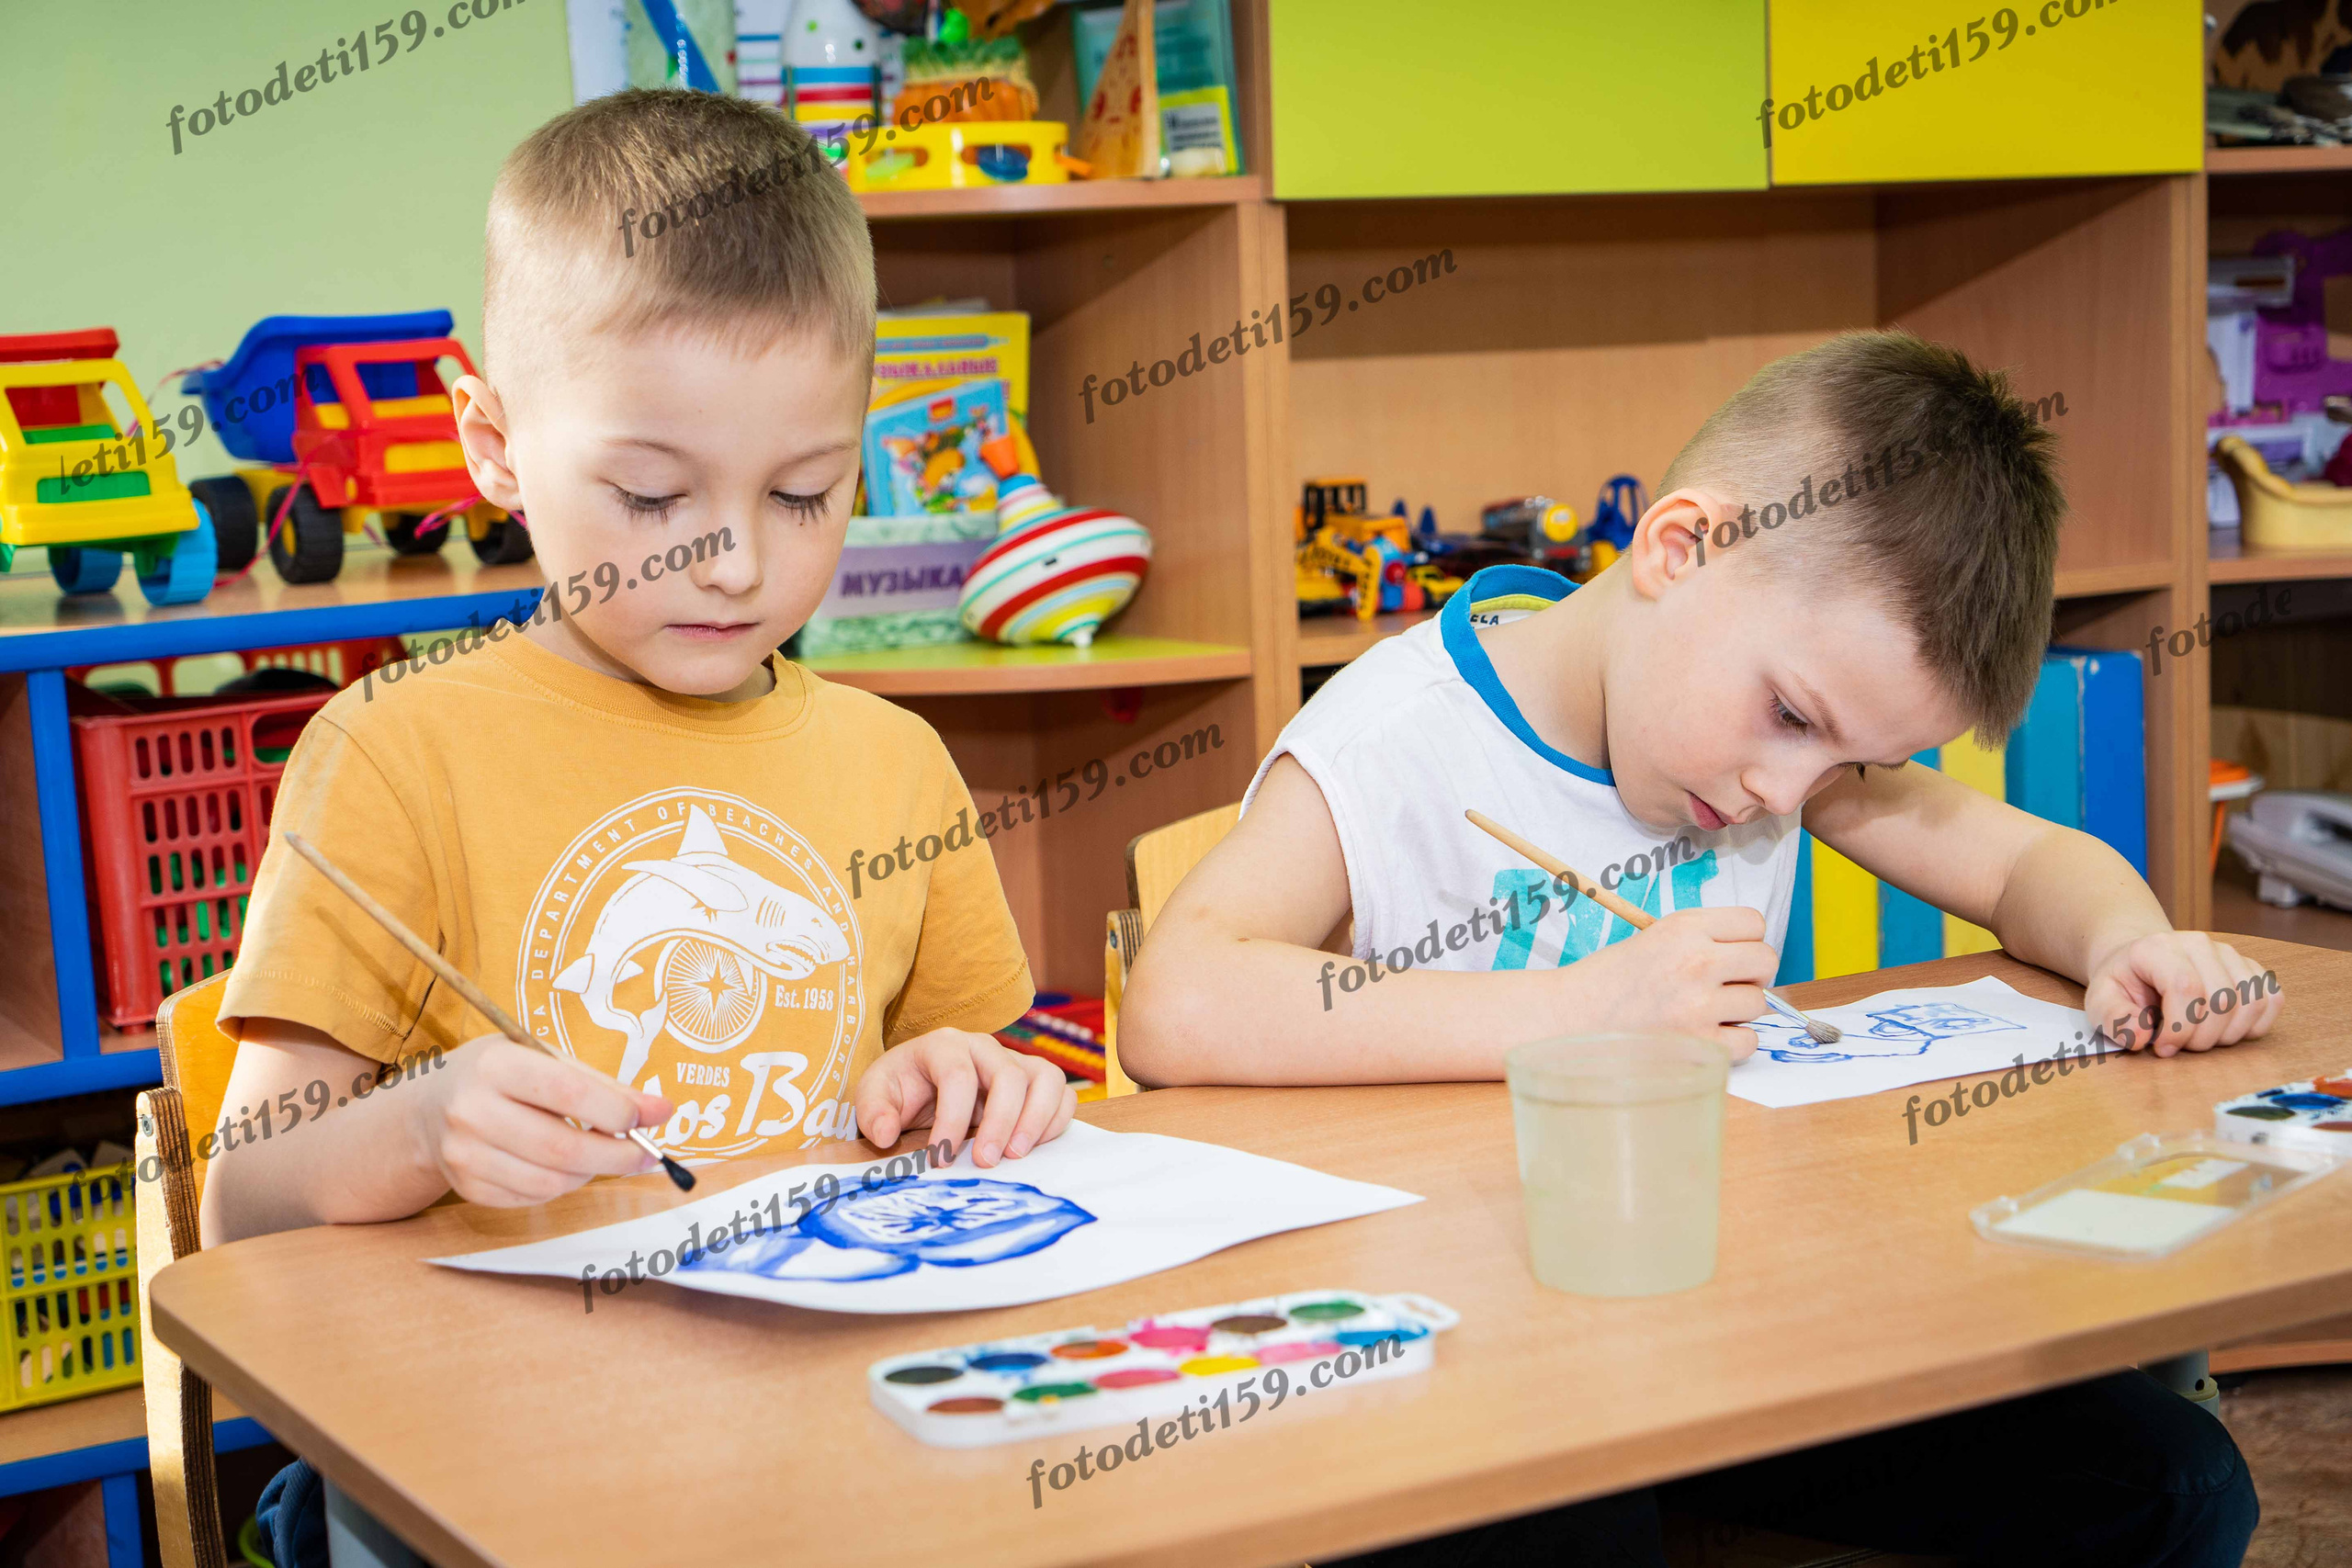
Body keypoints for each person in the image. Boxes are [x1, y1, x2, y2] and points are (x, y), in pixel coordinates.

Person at [1120, 332, 2265, 1565]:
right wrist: (1577, 1008)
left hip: (1736, 1332)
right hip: (1465, 1357)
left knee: (2178, 1487)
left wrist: (2130, 941)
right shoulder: (1396, 739)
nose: (1785, 787)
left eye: (1848, 764)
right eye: (1792, 718)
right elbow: (1178, 1000)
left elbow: (2026, 862)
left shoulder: (1783, 757)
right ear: (1679, 546)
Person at [203, 89, 1073, 1255]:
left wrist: (968, 1085)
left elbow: (962, 1094)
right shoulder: (392, 752)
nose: (736, 566)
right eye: (655, 496)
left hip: (819, 1378)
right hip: (491, 1408)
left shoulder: (898, 764)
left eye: (803, 492)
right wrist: (418, 1133)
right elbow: (238, 1207)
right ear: (495, 451)